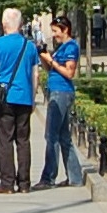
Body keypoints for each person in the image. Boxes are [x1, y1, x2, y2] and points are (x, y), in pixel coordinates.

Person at [0, 8, 39, 194]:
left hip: (4, 98)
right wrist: (33, 98)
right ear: (21, 24)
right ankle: (24, 183)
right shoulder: (29, 45)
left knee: (5, 140)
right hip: (24, 97)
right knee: (23, 140)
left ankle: (7, 183)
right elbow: (35, 74)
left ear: (4, 24)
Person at [35, 14, 83, 190]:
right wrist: (44, 57)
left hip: (62, 92)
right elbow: (50, 68)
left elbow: (69, 73)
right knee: (63, 137)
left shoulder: (71, 47)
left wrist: (52, 61)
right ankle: (75, 176)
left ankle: (48, 177)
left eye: (55, 31)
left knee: (51, 136)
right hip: (56, 91)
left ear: (65, 30)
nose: (53, 34)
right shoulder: (62, 47)